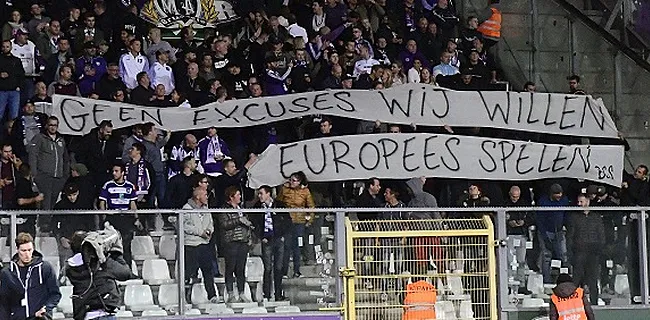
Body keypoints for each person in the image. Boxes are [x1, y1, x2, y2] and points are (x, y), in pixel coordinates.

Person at [65, 228, 132, 320]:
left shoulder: (71, 267)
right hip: (103, 315)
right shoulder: (102, 263)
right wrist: (116, 252)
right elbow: (125, 273)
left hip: (85, 315)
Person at [0, 232, 61, 320]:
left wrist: (46, 308)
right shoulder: (7, 273)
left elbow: (55, 294)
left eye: (29, 250)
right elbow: (4, 302)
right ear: (17, 249)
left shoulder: (45, 268)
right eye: (23, 251)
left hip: (40, 317)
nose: (27, 254)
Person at [253, 185, 291, 301]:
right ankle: (267, 294)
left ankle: (278, 294)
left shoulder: (279, 205)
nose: (259, 196)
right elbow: (255, 223)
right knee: (268, 268)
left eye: (261, 193)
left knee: (278, 268)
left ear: (268, 194)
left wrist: (283, 235)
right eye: (258, 194)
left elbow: (288, 221)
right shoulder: (257, 207)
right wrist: (261, 236)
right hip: (266, 240)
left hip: (278, 239)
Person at [98, 163, 140, 267]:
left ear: (122, 172)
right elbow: (102, 203)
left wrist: (136, 218)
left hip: (126, 218)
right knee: (112, 245)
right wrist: (104, 218)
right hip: (112, 217)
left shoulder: (130, 186)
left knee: (126, 245)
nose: (114, 173)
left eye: (116, 171)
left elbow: (133, 204)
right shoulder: (108, 185)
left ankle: (128, 269)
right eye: (113, 171)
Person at [567, 194, 605, 306]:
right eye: (578, 202)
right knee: (576, 279)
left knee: (593, 280)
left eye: (581, 201)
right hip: (579, 252)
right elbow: (570, 235)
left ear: (588, 202)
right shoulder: (574, 217)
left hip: (593, 253)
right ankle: (572, 304)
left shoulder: (596, 217)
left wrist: (599, 248)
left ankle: (594, 303)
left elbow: (601, 234)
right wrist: (570, 251)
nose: (579, 204)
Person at [218, 186, 253, 303]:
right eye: (237, 195)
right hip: (231, 242)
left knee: (241, 269)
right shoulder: (224, 209)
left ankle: (242, 293)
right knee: (230, 268)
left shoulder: (241, 208)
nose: (240, 197)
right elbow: (224, 224)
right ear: (231, 197)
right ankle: (230, 293)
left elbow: (247, 222)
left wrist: (249, 236)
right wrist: (239, 220)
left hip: (243, 242)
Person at [183, 187, 218, 303]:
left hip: (204, 244)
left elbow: (210, 223)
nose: (207, 197)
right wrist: (200, 232)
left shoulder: (206, 209)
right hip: (191, 245)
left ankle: (212, 295)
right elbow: (184, 226)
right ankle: (185, 297)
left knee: (208, 270)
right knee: (189, 272)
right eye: (205, 195)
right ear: (198, 197)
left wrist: (209, 231)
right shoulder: (186, 209)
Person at [277, 171, 315, 279]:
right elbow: (278, 203)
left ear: (300, 182)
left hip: (300, 222)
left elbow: (311, 206)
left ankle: (297, 271)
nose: (292, 182)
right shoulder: (284, 189)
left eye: (294, 180)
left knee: (297, 246)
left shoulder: (305, 191)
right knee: (287, 246)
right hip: (287, 221)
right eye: (291, 179)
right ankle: (284, 272)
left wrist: (309, 220)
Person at [536, 183, 569, 284]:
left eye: (560, 194)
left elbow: (566, 215)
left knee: (563, 255)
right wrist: (545, 237)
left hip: (559, 232)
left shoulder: (564, 200)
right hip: (546, 232)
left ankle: (563, 280)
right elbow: (539, 220)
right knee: (546, 256)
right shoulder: (543, 202)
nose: (559, 196)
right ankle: (547, 281)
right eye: (557, 194)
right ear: (552, 194)